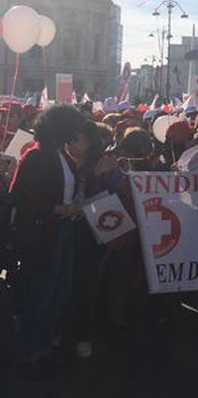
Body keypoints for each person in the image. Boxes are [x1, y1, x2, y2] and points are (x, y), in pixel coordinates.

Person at [9, 105, 88, 378]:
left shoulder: (61, 155)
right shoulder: (36, 156)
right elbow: (22, 197)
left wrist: (73, 205)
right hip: (44, 233)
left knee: (59, 293)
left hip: (64, 230)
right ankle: (30, 353)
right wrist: (60, 209)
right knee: (40, 294)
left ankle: (44, 348)